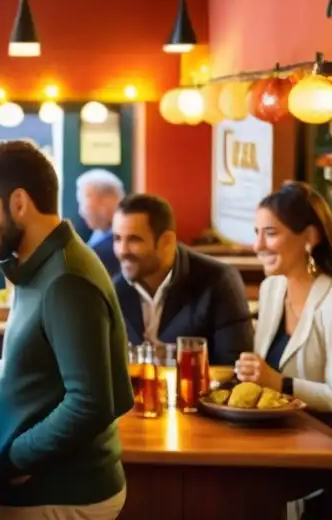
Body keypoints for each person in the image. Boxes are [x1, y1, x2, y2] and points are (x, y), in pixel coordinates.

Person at [0, 140, 132, 520]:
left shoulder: (66, 279)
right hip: (49, 489)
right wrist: (6, 257)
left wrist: (17, 458)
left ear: (19, 202)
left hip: (59, 493)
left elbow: (92, 402)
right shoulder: (46, 266)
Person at [237, 182, 332, 518]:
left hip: (322, 461)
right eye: (256, 233)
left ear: (310, 237)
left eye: (270, 233)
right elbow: (265, 372)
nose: (257, 245)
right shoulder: (271, 288)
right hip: (278, 446)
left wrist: (280, 384)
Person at [112, 193, 253, 365]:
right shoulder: (114, 288)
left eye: (134, 239)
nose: (122, 251)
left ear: (167, 241)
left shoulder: (219, 282)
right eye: (117, 239)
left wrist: (171, 361)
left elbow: (235, 367)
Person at [76, 169, 125, 277]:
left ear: (108, 201)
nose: (81, 211)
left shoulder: (118, 248)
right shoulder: (99, 233)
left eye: (84, 203)